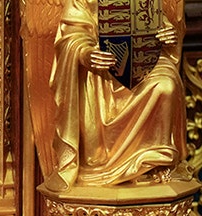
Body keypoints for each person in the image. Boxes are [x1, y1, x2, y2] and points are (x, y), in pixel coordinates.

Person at [45, 0, 190, 191]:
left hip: (143, 64)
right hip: (101, 71)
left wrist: (169, 35)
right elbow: (70, 37)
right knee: (92, 81)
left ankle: (156, 161)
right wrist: (86, 54)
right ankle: (100, 164)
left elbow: (156, 22)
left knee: (166, 84)